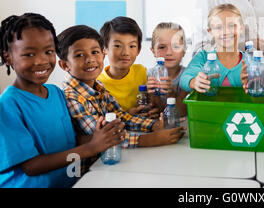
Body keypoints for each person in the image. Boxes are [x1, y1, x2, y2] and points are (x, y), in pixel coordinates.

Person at [0, 13, 124, 187]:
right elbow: (31, 166)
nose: (41, 61)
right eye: (29, 54)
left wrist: (101, 136)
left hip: (68, 182)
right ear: (8, 57)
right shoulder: (8, 105)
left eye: (48, 52)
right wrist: (91, 147)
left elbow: (69, 141)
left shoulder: (56, 93)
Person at [57, 25, 185, 173]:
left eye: (95, 52)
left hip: (111, 162)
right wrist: (150, 139)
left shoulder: (98, 87)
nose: (90, 59)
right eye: (79, 55)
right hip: (89, 172)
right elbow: (104, 138)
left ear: (102, 54)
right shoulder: (72, 96)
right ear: (64, 64)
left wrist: (154, 125)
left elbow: (122, 117)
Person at [180, 4, 244, 93]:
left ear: (241, 28)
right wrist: (194, 82)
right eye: (219, 27)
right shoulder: (203, 57)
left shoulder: (250, 61)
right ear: (210, 32)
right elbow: (185, 78)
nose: (225, 31)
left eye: (231, 25)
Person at [98, 16, 155, 115]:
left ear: (138, 50)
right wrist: (128, 115)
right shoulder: (98, 83)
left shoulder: (142, 72)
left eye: (132, 46)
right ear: (104, 48)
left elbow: (153, 103)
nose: (125, 52)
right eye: (117, 46)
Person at [149, 22, 187, 117]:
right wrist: (151, 94)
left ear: (184, 50)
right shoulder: (148, 75)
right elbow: (154, 110)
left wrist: (170, 92)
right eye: (162, 47)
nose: (169, 52)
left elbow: (182, 112)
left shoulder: (187, 76)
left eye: (176, 46)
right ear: (153, 51)